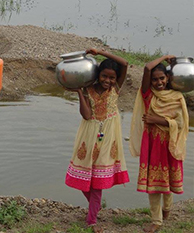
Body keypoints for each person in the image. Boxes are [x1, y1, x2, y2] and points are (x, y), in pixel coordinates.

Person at [65, 48, 130, 233]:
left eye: (111, 78)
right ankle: (96, 205)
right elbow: (86, 115)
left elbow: (125, 64)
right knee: (83, 176)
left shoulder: (116, 89)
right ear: (98, 75)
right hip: (89, 134)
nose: (108, 81)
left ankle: (91, 220)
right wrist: (79, 92)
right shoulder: (88, 89)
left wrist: (100, 52)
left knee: (97, 182)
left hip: (109, 137)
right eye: (104, 76)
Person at [129, 55, 189, 233]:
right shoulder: (148, 95)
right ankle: (157, 220)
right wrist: (164, 57)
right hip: (153, 145)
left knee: (167, 180)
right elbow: (147, 68)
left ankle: (167, 209)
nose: (158, 82)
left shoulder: (177, 97)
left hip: (170, 144)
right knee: (154, 185)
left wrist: (158, 119)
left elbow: (180, 124)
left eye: (162, 78)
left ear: (168, 78)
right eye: (155, 79)